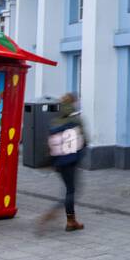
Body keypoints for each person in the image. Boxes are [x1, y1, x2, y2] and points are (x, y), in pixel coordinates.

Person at [42, 92, 85, 231]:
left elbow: (49, 143)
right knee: (71, 191)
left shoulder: (55, 120)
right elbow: (84, 140)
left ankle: (70, 219)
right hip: (71, 160)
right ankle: (68, 220)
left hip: (58, 161)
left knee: (68, 189)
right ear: (72, 103)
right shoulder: (75, 120)